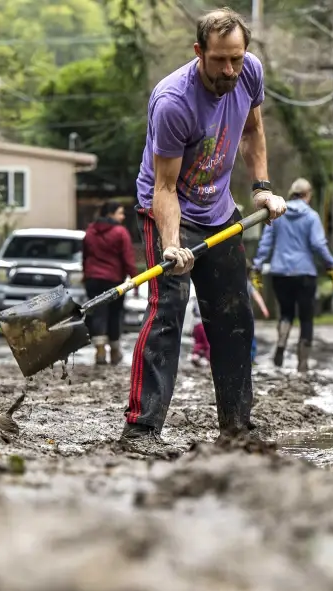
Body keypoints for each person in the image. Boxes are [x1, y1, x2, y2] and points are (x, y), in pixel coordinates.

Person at [122, 6, 287, 455]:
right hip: (168, 207)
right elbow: (165, 186)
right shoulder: (173, 101)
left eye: (236, 58)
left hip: (220, 209)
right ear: (199, 52)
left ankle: (236, 427)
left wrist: (263, 189)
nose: (229, 70)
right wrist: (172, 246)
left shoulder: (249, 73)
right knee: (168, 312)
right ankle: (141, 431)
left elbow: (253, 131)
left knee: (234, 316)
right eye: (219, 60)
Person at [251, 177, 333, 371]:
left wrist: (257, 263)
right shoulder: (312, 216)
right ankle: (303, 363)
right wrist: (330, 263)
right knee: (306, 318)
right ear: (308, 195)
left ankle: (281, 342)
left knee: (286, 313)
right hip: (305, 273)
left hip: (280, 272)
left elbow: (266, 242)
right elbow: (318, 244)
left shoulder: (277, 213)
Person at [81, 200, 137, 365]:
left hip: (93, 279)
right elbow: (128, 258)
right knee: (114, 314)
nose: (122, 216)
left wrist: (86, 274)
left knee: (98, 314)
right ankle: (114, 351)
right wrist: (134, 278)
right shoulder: (120, 232)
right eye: (120, 213)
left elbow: (85, 256)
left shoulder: (90, 231)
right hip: (114, 280)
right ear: (110, 214)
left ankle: (99, 350)